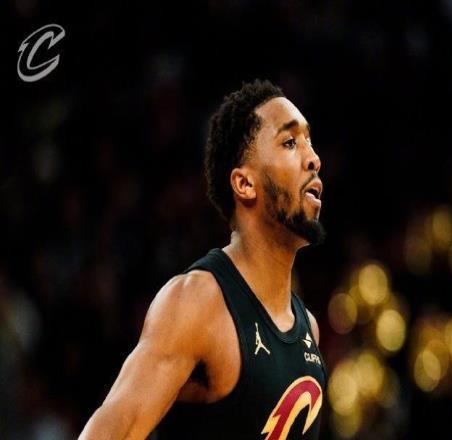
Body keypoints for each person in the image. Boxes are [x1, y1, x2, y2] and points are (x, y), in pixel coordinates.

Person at [79, 79, 327, 439]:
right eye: (290, 142)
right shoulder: (197, 302)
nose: (314, 159)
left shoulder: (309, 329)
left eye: (309, 141)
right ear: (244, 184)